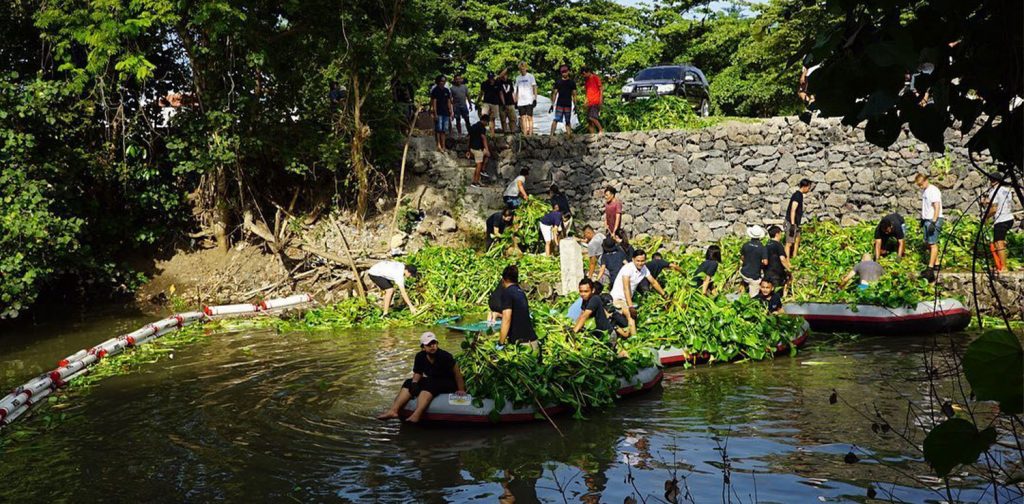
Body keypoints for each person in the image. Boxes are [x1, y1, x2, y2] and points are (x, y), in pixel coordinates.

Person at [377, 332, 466, 423]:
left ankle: (417, 414)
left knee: (431, 383)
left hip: (448, 382)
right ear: (423, 347)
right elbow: (418, 372)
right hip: (433, 380)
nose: (432, 346)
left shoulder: (445, 356)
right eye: (429, 345)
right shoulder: (420, 356)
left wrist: (461, 389)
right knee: (408, 382)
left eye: (434, 343)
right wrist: (414, 383)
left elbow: (457, 373)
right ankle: (393, 411)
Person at [610, 249, 666, 314]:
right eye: (638, 261)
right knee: (630, 317)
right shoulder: (628, 268)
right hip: (618, 299)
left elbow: (653, 282)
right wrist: (630, 306)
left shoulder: (644, 268)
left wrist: (664, 295)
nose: (640, 263)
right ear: (633, 259)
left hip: (627, 299)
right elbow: (626, 289)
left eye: (642, 261)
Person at [498, 265, 539, 350]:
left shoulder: (507, 293)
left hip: (522, 346)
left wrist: (501, 342)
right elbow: (518, 314)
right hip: (533, 342)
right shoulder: (520, 292)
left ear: (503, 280)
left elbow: (507, 318)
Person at [983, 174, 1015, 273]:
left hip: (1001, 219)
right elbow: (1001, 201)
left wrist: (985, 217)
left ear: (992, 181)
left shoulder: (994, 192)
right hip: (1009, 217)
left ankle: (1003, 267)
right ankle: (1000, 264)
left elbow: (994, 209)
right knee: (999, 242)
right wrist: (987, 202)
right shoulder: (1006, 190)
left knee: (999, 243)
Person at [915, 173, 944, 277]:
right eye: (919, 185)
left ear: (926, 180)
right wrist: (923, 220)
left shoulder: (933, 190)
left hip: (934, 219)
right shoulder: (926, 191)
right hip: (928, 219)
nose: (920, 187)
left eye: (921, 184)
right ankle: (936, 263)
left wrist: (934, 221)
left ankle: (930, 268)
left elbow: (937, 206)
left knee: (933, 244)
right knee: (928, 242)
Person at [572, 278, 616, 346]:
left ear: (592, 290)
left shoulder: (595, 299)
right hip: (598, 336)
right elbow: (581, 314)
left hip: (607, 335)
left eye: (586, 291)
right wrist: (574, 326)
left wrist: (573, 332)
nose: (583, 294)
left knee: (609, 355)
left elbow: (585, 316)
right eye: (581, 291)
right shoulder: (585, 299)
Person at [785, 179, 812, 258]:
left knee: (797, 240)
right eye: (809, 187)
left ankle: (795, 257)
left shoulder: (800, 195)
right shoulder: (797, 195)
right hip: (791, 222)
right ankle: (787, 261)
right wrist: (793, 224)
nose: (809, 189)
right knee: (789, 243)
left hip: (796, 222)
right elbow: (793, 209)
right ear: (805, 186)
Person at [740, 225, 768, 297]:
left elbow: (742, 257)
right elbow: (765, 262)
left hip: (743, 273)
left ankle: (742, 291)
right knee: (753, 298)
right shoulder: (762, 248)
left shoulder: (745, 245)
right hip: (754, 277)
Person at [549, 65, 577, 136]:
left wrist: (575, 105)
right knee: (556, 119)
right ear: (561, 73)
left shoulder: (572, 83)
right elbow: (554, 93)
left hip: (568, 104)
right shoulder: (558, 82)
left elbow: (574, 95)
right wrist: (552, 104)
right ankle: (551, 135)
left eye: (565, 72)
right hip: (560, 104)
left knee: (568, 121)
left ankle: (569, 135)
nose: (564, 73)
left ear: (568, 72)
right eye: (563, 72)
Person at [764, 225, 792, 295]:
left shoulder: (767, 244)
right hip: (776, 273)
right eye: (780, 234)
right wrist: (789, 269)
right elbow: (782, 259)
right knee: (776, 293)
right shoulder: (778, 245)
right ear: (777, 234)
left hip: (767, 272)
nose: (781, 236)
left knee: (769, 293)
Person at [429, 75, 453, 152]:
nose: (443, 82)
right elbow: (434, 103)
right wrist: (435, 113)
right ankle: (438, 145)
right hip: (438, 112)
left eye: (444, 81)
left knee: (444, 130)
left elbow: (449, 101)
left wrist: (451, 111)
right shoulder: (435, 90)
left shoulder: (446, 90)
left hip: (445, 112)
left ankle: (443, 146)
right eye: (441, 81)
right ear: (438, 82)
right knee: (438, 130)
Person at [513, 62, 537, 135]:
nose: (522, 70)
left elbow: (534, 87)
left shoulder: (530, 76)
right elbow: (516, 90)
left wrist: (535, 98)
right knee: (523, 117)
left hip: (529, 100)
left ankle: (530, 133)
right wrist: (515, 100)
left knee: (529, 117)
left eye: (523, 68)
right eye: (520, 69)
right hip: (521, 101)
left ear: (526, 68)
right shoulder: (517, 78)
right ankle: (524, 133)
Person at [467, 113, 490, 187]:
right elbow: (483, 138)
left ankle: (482, 172)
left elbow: (469, 138)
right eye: (487, 122)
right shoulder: (482, 127)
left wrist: (468, 149)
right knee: (478, 166)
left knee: (486, 156)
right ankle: (475, 182)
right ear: (485, 121)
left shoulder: (473, 126)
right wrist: (487, 149)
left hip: (472, 148)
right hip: (477, 149)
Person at [581, 67, 604, 134]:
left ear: (586, 72)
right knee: (589, 120)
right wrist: (585, 101)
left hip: (595, 100)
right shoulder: (586, 81)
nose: (583, 76)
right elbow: (587, 91)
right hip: (589, 102)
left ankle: (601, 130)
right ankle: (592, 135)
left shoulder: (595, 78)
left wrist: (601, 99)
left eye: (584, 74)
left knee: (592, 117)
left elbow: (601, 89)